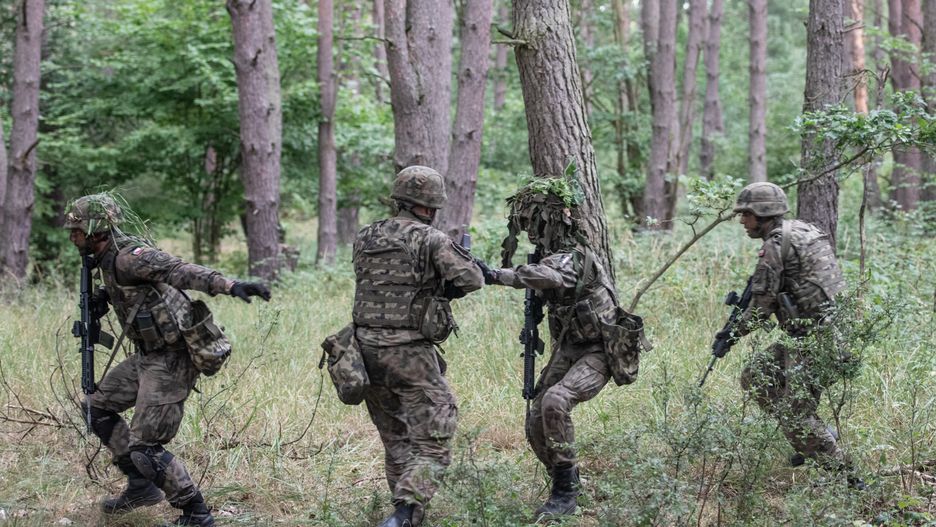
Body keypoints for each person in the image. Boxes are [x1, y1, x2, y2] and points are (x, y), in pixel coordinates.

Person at [64, 193, 271, 526]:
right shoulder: (102, 258)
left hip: (173, 359)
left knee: (145, 447)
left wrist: (231, 285)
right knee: (96, 408)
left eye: (76, 230)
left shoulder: (130, 258)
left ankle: (196, 513)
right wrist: (103, 298)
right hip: (147, 357)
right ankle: (141, 486)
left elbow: (179, 270)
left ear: (96, 231)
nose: (71, 236)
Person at [476, 181, 645, 520]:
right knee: (536, 418)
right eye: (526, 224)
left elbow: (548, 276)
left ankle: (565, 496)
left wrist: (494, 274)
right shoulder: (551, 256)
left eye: (536, 223)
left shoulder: (573, 257)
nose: (531, 232)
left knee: (556, 400)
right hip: (569, 349)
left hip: (599, 350)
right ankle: (566, 481)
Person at [352, 166, 484, 527]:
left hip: (364, 351)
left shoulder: (366, 235)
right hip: (409, 352)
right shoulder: (432, 239)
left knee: (396, 439)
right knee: (435, 441)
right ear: (427, 207)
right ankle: (404, 513)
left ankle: (408, 517)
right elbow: (472, 279)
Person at [720, 181, 864, 489]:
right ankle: (813, 439)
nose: (742, 221)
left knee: (795, 416)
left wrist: (730, 335)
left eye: (746, 214)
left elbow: (760, 306)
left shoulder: (776, 246)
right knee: (756, 377)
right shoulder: (802, 231)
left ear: (763, 213)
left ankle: (849, 481)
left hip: (818, 341)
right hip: (825, 335)